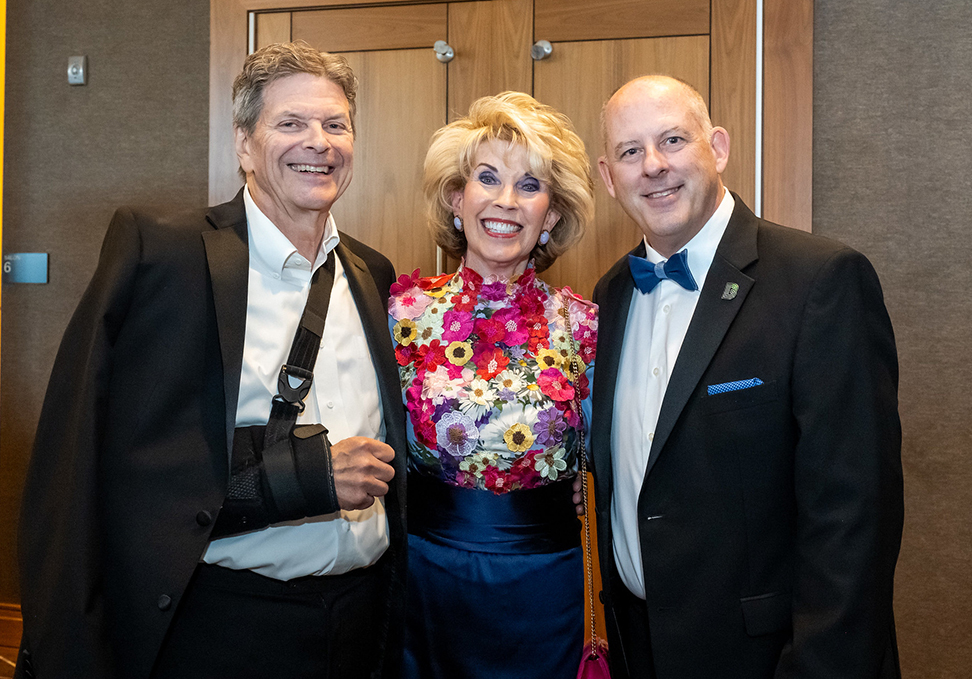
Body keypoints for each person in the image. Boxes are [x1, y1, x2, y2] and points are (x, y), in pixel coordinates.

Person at [16, 41, 407, 679]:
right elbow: (84, 457)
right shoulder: (163, 255)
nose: (320, 141)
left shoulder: (371, 274)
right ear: (244, 144)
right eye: (290, 124)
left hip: (360, 625)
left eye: (336, 125)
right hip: (220, 624)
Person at [590, 75, 904, 678]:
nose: (653, 166)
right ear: (609, 177)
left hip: (772, 659)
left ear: (720, 148)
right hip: (641, 649)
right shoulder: (612, 295)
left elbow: (856, 516)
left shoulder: (820, 281)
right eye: (631, 152)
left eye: (674, 140)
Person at [387, 91, 597, 679]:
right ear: (457, 198)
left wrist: (592, 485)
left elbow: (621, 451)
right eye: (488, 179)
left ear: (551, 214)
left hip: (546, 586)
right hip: (426, 580)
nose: (506, 202)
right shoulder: (399, 315)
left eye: (530, 186)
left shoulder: (587, 325)